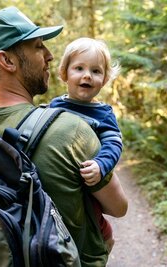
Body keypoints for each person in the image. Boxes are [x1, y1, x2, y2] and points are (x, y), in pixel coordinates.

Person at [0, 6, 128, 267]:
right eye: (39, 46)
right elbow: (119, 208)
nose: (50, 56)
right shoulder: (69, 129)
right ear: (6, 61)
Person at [49, 37, 122, 253]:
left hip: (90, 181)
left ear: (105, 79)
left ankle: (101, 247)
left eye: (96, 71)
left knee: (97, 227)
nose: (87, 75)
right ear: (65, 74)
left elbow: (113, 142)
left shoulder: (103, 113)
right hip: (60, 181)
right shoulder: (54, 106)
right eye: (79, 68)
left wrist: (101, 165)